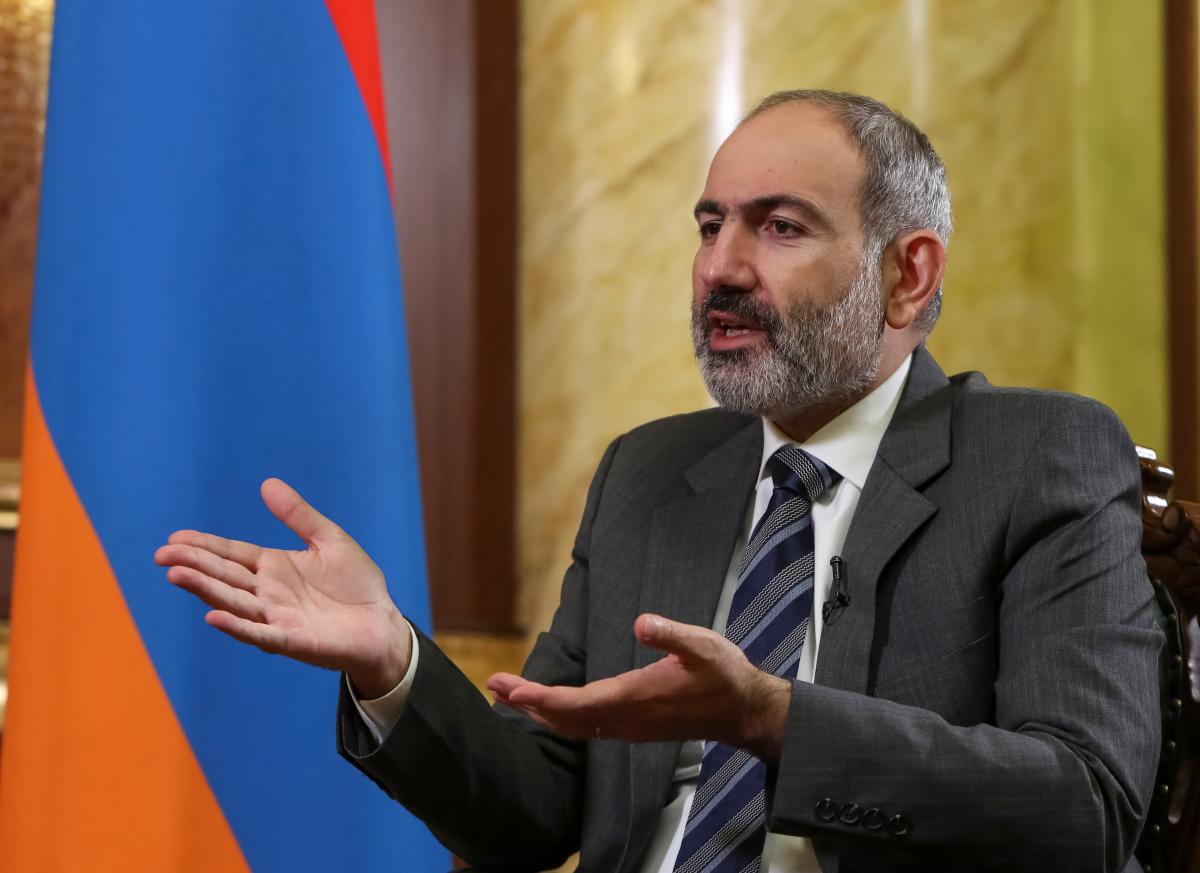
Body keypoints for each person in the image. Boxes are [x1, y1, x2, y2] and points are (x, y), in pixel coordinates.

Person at [155, 90, 1162, 873]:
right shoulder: (650, 472)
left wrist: (770, 718)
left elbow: (1085, 805)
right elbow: (532, 809)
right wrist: (395, 664)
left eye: (779, 227)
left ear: (908, 274)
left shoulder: (1037, 457)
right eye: (709, 225)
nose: (720, 268)